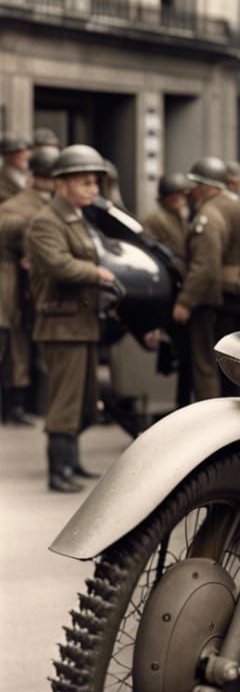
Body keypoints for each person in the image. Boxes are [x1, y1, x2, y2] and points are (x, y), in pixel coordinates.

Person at [26, 144, 117, 491]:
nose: (93, 190)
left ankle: (72, 463)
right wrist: (96, 272)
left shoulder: (79, 218)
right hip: (61, 324)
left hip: (82, 322)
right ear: (61, 184)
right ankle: (57, 471)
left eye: (94, 183)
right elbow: (58, 264)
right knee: (65, 401)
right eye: (85, 183)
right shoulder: (46, 221)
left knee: (84, 401)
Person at [172, 156, 240, 400]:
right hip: (239, 293)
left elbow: (205, 263)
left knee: (205, 364)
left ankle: (210, 419)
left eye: (195, 185)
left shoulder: (209, 214)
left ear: (206, 187)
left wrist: (185, 301)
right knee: (233, 365)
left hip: (210, 299)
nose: (191, 191)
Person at [0, 145, 58, 425]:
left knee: (21, 346)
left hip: (26, 285)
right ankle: (15, 407)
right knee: (14, 345)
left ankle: (22, 405)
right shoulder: (22, 206)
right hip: (14, 284)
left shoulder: (39, 204)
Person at [142, 172, 192, 274]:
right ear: (165, 197)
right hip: (167, 271)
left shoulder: (181, 218)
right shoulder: (155, 219)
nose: (179, 200)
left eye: (181, 195)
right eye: (174, 196)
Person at [1, 134, 31, 202]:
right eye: (19, 152)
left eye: (25, 151)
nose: (25, 155)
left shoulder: (28, 174)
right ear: (7, 156)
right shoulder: (3, 179)